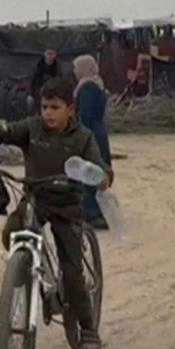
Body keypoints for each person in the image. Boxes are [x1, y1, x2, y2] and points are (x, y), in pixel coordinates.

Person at [0, 78, 110, 349]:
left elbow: (101, 168)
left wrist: (102, 177)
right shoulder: (31, 128)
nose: (48, 113)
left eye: (55, 107)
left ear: (70, 109)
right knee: (11, 233)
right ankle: (25, 271)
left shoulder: (83, 137)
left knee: (72, 272)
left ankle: (87, 326)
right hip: (35, 198)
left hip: (67, 205)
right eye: (44, 106)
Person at [73, 55, 112, 229]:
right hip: (97, 130)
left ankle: (93, 213)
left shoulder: (88, 87)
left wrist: (80, 135)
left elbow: (86, 114)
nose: (74, 72)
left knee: (91, 170)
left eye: (77, 68)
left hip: (91, 133)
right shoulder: (94, 84)